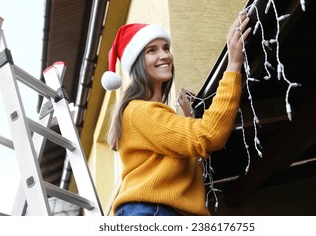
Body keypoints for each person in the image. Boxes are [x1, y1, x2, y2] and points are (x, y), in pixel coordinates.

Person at [101, 13, 251, 216]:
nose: (164, 55)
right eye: (151, 51)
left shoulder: (150, 115)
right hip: (151, 212)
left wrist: (188, 119)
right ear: (137, 63)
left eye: (165, 48)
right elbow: (208, 136)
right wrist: (233, 65)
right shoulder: (139, 111)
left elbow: (187, 161)